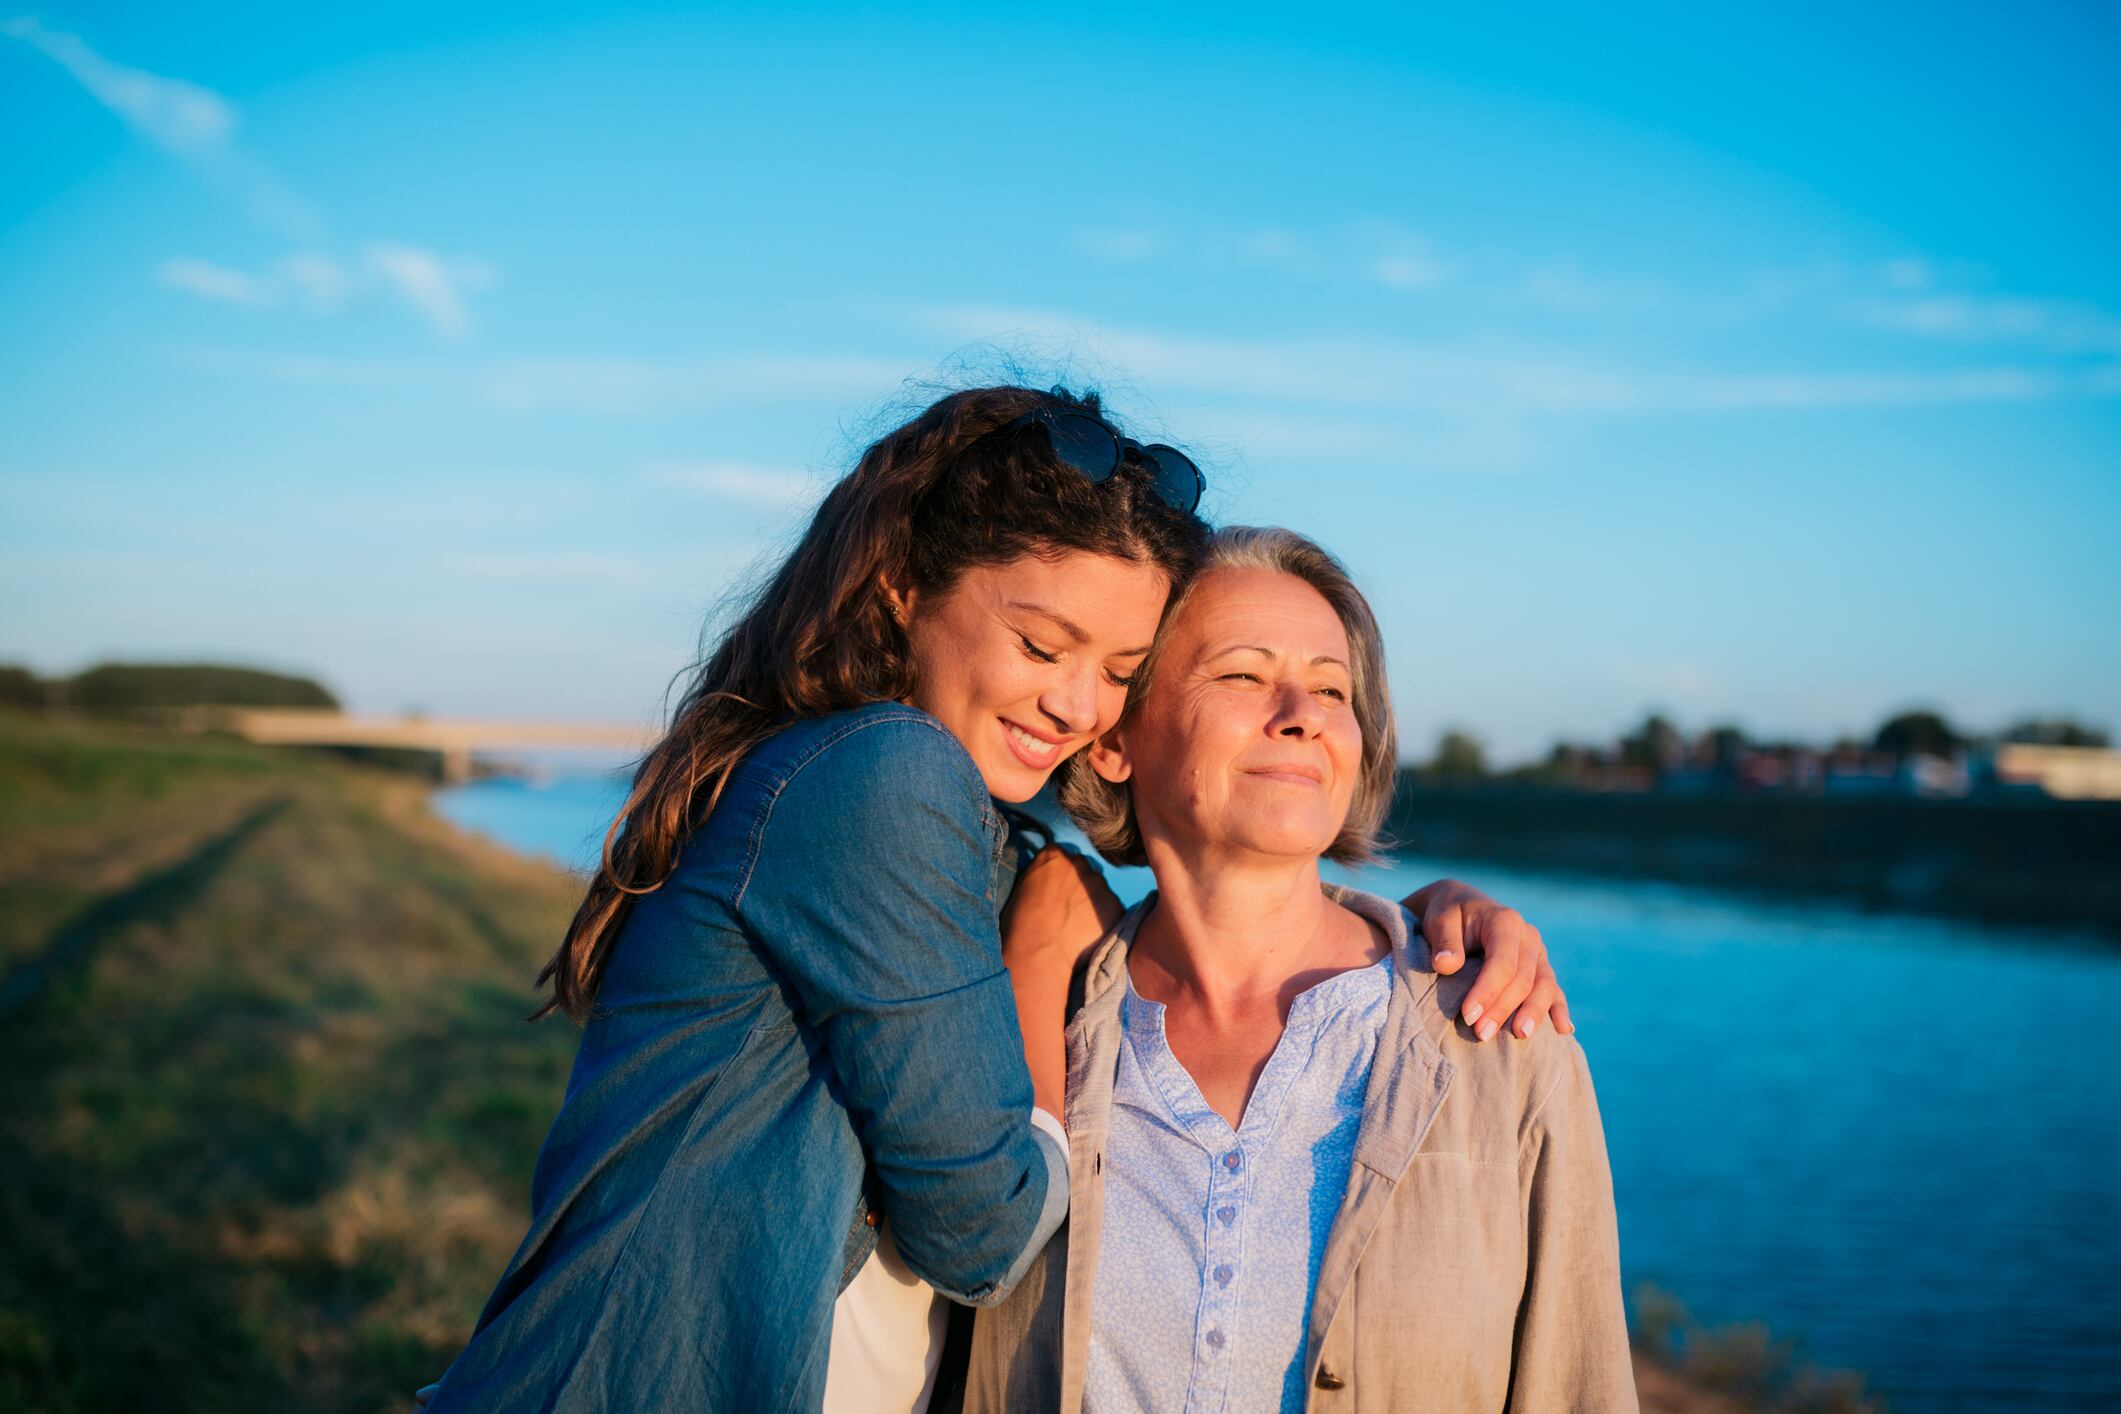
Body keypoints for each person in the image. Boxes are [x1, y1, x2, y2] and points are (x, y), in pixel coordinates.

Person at [420, 388, 1570, 1413]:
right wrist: (1038, 989)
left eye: (1119, 671)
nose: (1078, 703)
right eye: (1041, 643)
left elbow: (1237, 874)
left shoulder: (973, 840)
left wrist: (1427, 917)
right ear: (900, 591)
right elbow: (979, 1234)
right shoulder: (882, 772)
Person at [966, 527, 1634, 1413]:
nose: (1303, 712)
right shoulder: (1032, 1013)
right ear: (1112, 740)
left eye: (1331, 688)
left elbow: (1578, 1385)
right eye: (1242, 674)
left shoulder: (1499, 1033)